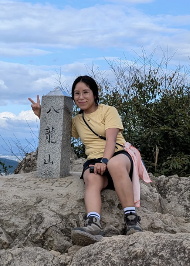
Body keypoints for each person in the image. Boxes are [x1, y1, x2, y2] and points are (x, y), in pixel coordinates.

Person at [29, 75, 142, 247]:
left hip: (118, 156)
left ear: (95, 94)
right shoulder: (77, 121)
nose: (81, 97)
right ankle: (93, 223)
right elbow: (61, 132)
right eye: (77, 93)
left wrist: (105, 160)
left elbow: (111, 140)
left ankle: (132, 219)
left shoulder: (108, 111)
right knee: (90, 178)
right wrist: (41, 114)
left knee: (114, 164)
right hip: (95, 161)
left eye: (85, 92)